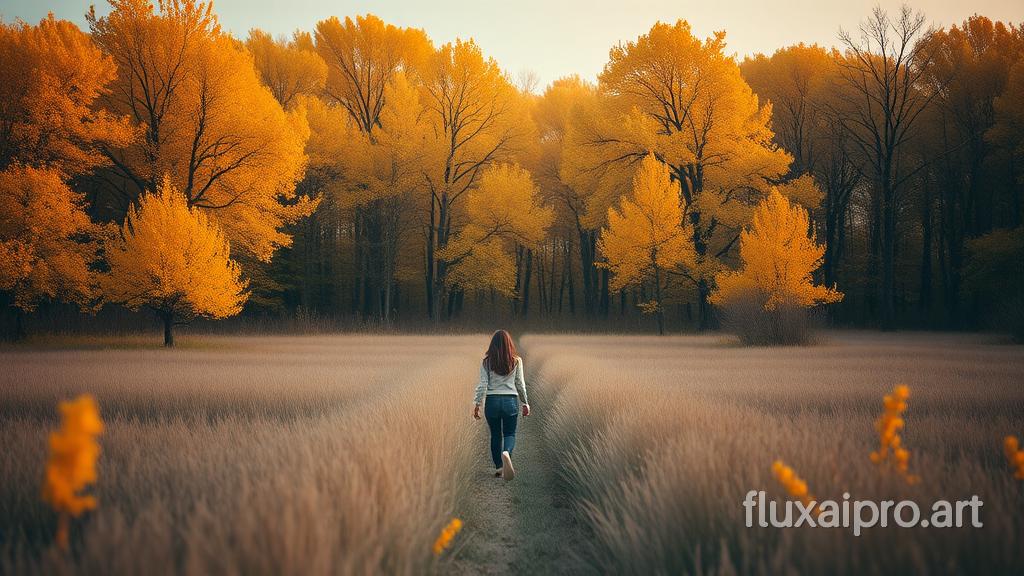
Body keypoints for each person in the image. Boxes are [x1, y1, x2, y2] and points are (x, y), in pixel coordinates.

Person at [473, 330, 530, 481]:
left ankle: (499, 467)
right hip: (510, 401)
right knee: (510, 434)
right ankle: (507, 453)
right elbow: (520, 384)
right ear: (509, 344)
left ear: (493, 345)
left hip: (492, 402)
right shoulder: (516, 361)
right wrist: (525, 403)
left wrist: (477, 404)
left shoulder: (487, 362)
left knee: (495, 435)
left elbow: (483, 385)